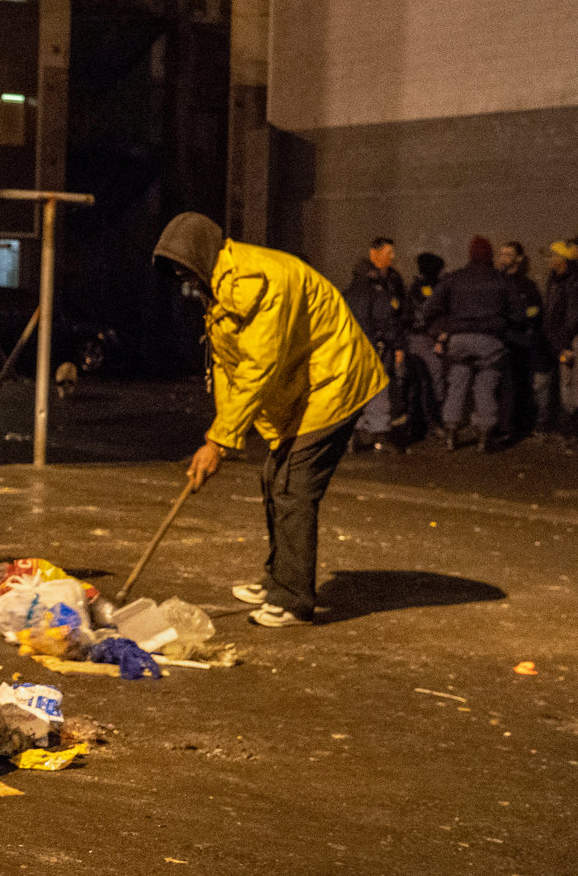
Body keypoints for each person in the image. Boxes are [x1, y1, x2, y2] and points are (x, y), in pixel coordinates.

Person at [154, 212, 385, 627]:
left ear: (202, 257)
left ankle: (294, 598)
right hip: (306, 385)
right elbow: (229, 368)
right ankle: (279, 578)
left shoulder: (261, 282)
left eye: (184, 268)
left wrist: (218, 443)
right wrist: (221, 437)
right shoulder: (222, 285)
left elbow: (259, 366)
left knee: (294, 485)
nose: (182, 279)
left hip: (335, 379)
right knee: (272, 477)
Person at [422, 236, 525, 450]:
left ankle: (450, 433)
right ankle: (485, 436)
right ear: (489, 255)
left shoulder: (454, 278)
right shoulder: (501, 279)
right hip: (490, 340)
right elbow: (519, 315)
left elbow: (430, 309)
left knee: (457, 383)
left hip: (459, 339)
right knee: (486, 385)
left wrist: (441, 330)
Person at [343, 236, 408, 451]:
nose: (393, 258)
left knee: (356, 391)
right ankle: (379, 433)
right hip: (375, 347)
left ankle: (355, 433)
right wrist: (397, 344)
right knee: (379, 389)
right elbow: (386, 321)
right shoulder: (377, 292)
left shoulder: (347, 294)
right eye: (389, 253)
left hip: (351, 349)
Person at [496, 240, 549, 439]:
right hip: (500, 340)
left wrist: (523, 320)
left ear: (519, 258)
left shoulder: (527, 286)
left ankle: (519, 425)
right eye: (501, 254)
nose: (504, 258)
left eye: (508, 254)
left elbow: (534, 312)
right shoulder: (495, 281)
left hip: (519, 342)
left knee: (520, 384)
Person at [404, 251, 448, 438]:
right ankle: (433, 422)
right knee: (434, 378)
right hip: (425, 339)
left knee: (425, 380)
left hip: (419, 338)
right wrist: (438, 336)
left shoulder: (417, 287)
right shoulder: (429, 287)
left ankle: (425, 422)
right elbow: (426, 314)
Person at [544, 240, 578, 434]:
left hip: (569, 340)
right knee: (566, 382)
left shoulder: (572, 281)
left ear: (563, 259)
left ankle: (571, 425)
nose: (551, 258)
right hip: (560, 338)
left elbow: (573, 314)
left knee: (570, 382)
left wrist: (564, 343)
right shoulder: (554, 278)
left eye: (555, 255)